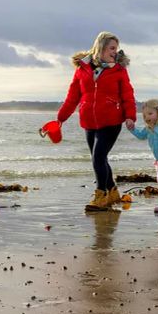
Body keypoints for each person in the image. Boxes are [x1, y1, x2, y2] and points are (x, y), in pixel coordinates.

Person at [57, 31, 136, 211]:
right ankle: (113, 191)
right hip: (89, 122)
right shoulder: (82, 69)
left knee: (98, 157)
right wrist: (61, 118)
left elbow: (128, 95)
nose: (115, 52)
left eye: (116, 48)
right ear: (100, 47)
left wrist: (130, 116)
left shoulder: (119, 71)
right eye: (112, 48)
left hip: (111, 121)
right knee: (99, 158)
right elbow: (73, 96)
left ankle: (101, 195)